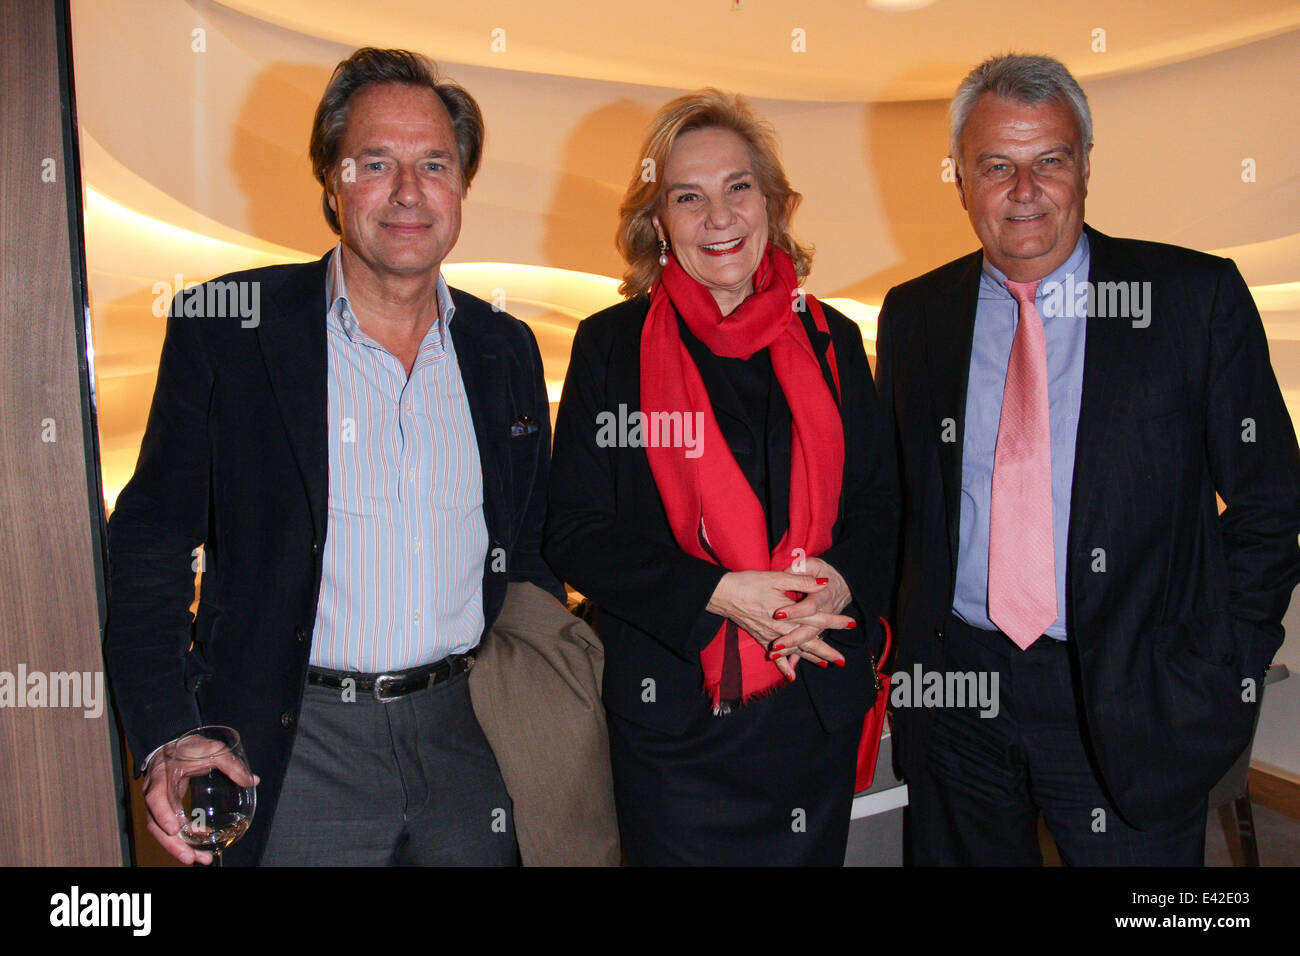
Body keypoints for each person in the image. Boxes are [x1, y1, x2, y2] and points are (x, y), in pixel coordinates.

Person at [104, 47, 562, 866]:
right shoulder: (229, 330)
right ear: (331, 181)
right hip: (290, 746)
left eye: (435, 163)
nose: (410, 192)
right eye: (376, 163)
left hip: (469, 737)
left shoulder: (506, 351)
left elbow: (526, 549)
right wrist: (170, 736)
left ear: (461, 188)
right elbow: (149, 547)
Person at [875, 53, 1300, 865]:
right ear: (960, 180)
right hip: (959, 699)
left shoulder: (1191, 299)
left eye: (1050, 161)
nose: (1024, 190)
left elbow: (1270, 504)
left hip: (1133, 698)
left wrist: (1217, 671)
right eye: (996, 165)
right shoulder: (916, 314)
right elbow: (898, 505)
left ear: (1086, 168)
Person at [544, 90, 898, 865]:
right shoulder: (612, 346)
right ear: (658, 222)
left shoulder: (833, 337)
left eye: (738, 188)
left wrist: (838, 583)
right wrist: (717, 592)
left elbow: (880, 503)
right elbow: (574, 531)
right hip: (677, 726)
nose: (719, 216)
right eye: (688, 197)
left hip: (812, 699)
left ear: (770, 201)